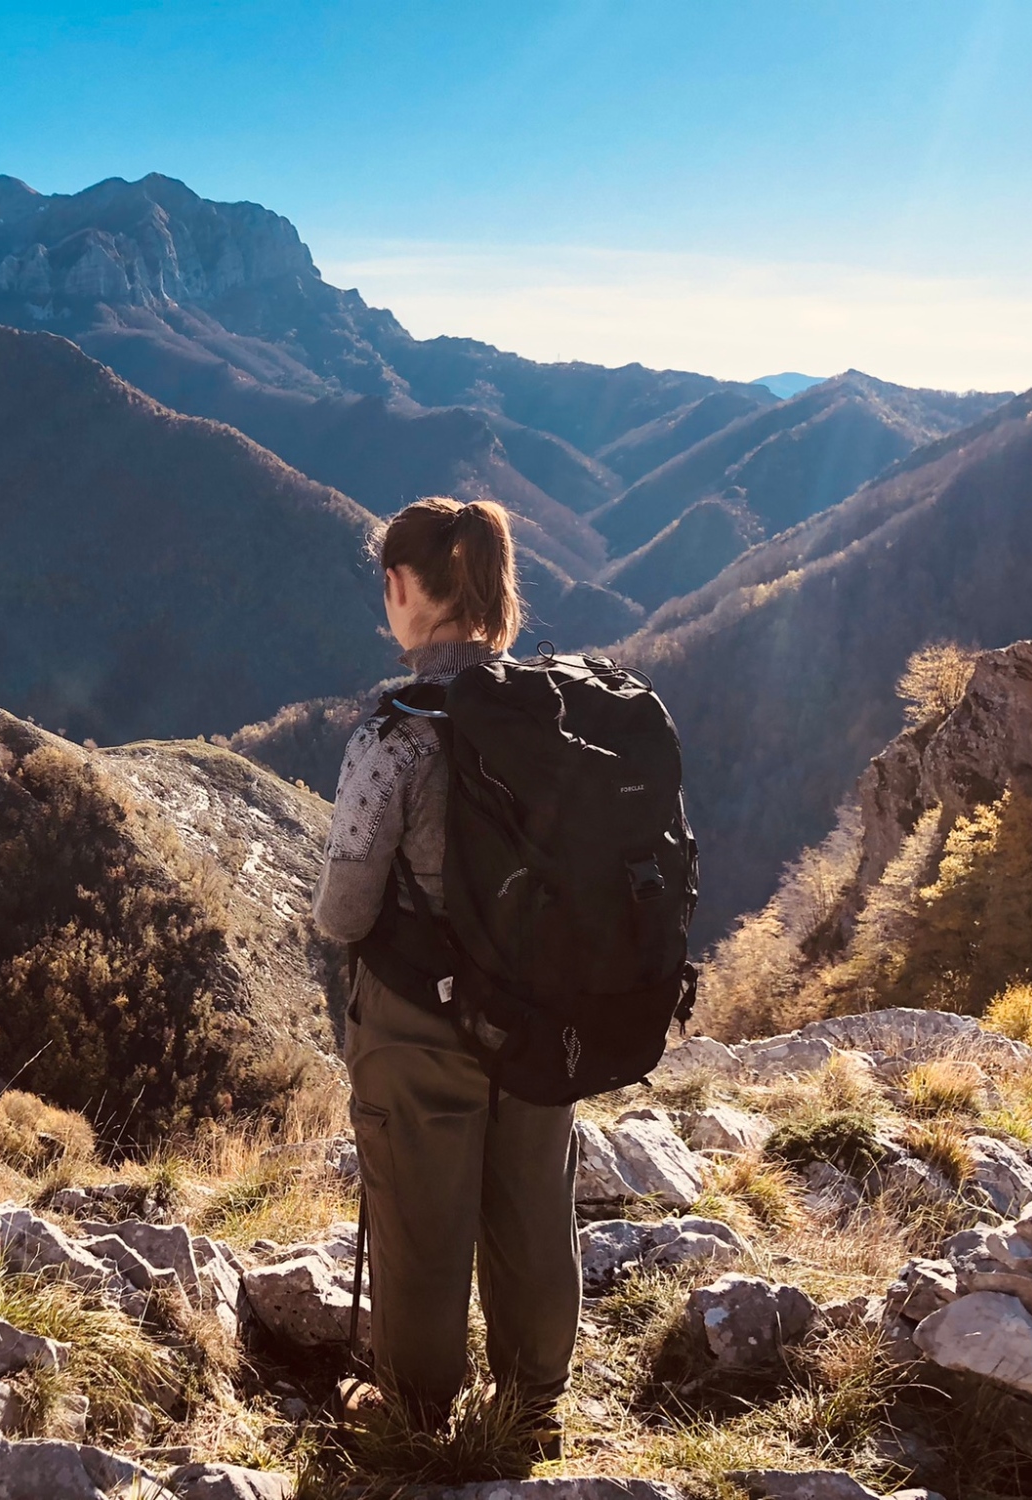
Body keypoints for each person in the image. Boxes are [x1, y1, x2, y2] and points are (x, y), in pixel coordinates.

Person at [312, 495, 580, 1451]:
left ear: (398, 587)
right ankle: (533, 1409)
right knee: (535, 1205)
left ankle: (416, 1416)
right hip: (547, 1017)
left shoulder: (394, 733)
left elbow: (343, 911)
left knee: (423, 1219)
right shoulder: (561, 719)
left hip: (424, 1023)